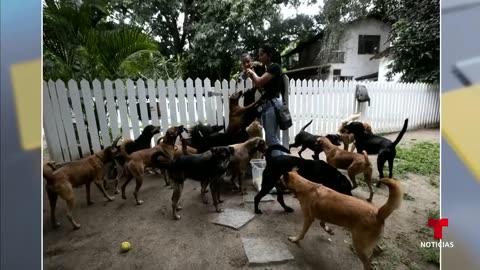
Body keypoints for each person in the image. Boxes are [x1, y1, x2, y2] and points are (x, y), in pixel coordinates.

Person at [245, 44, 287, 156]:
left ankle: (282, 163)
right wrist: (252, 75)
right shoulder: (267, 69)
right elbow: (261, 88)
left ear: (269, 55)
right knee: (272, 138)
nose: (259, 57)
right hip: (268, 105)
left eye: (262, 54)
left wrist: (252, 73)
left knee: (271, 139)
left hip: (272, 105)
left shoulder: (275, 67)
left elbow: (259, 81)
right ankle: (284, 163)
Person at [237, 53, 264, 128]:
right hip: (247, 105)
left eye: (248, 61)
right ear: (241, 65)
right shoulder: (241, 76)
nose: (246, 64)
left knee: (258, 127)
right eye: (243, 63)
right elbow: (238, 86)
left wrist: (253, 72)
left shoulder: (259, 70)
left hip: (259, 102)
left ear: (251, 61)